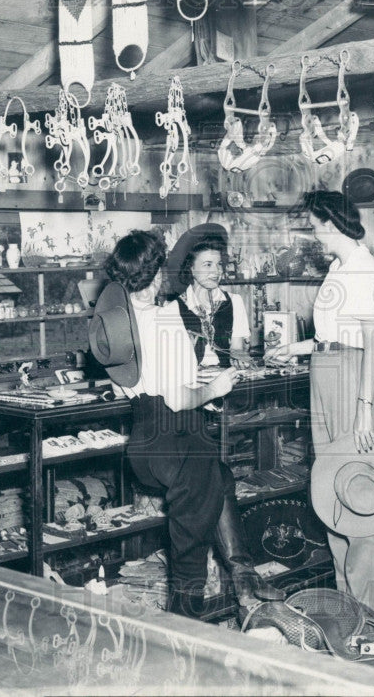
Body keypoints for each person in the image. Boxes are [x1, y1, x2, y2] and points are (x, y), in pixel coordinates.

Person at [90, 230, 281, 620]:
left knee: (222, 479)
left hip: (144, 442)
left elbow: (125, 383)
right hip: (181, 439)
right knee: (189, 557)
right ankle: (184, 634)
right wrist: (215, 386)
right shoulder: (168, 319)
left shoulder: (118, 322)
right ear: (157, 273)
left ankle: (243, 576)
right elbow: (179, 399)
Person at [266, 191, 374, 614]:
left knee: (361, 496)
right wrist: (295, 349)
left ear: (334, 225)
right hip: (327, 371)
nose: (316, 237)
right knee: (331, 493)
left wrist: (364, 409)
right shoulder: (340, 267)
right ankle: (345, 606)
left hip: (354, 380)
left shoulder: (364, 269)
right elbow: (333, 334)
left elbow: (372, 345)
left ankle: (367, 615)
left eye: (318, 227)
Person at [166, 223, 252, 368]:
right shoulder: (173, 309)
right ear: (191, 269)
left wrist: (240, 358)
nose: (216, 271)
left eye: (219, 264)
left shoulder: (234, 302)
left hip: (228, 382)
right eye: (207, 265)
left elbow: (237, 349)